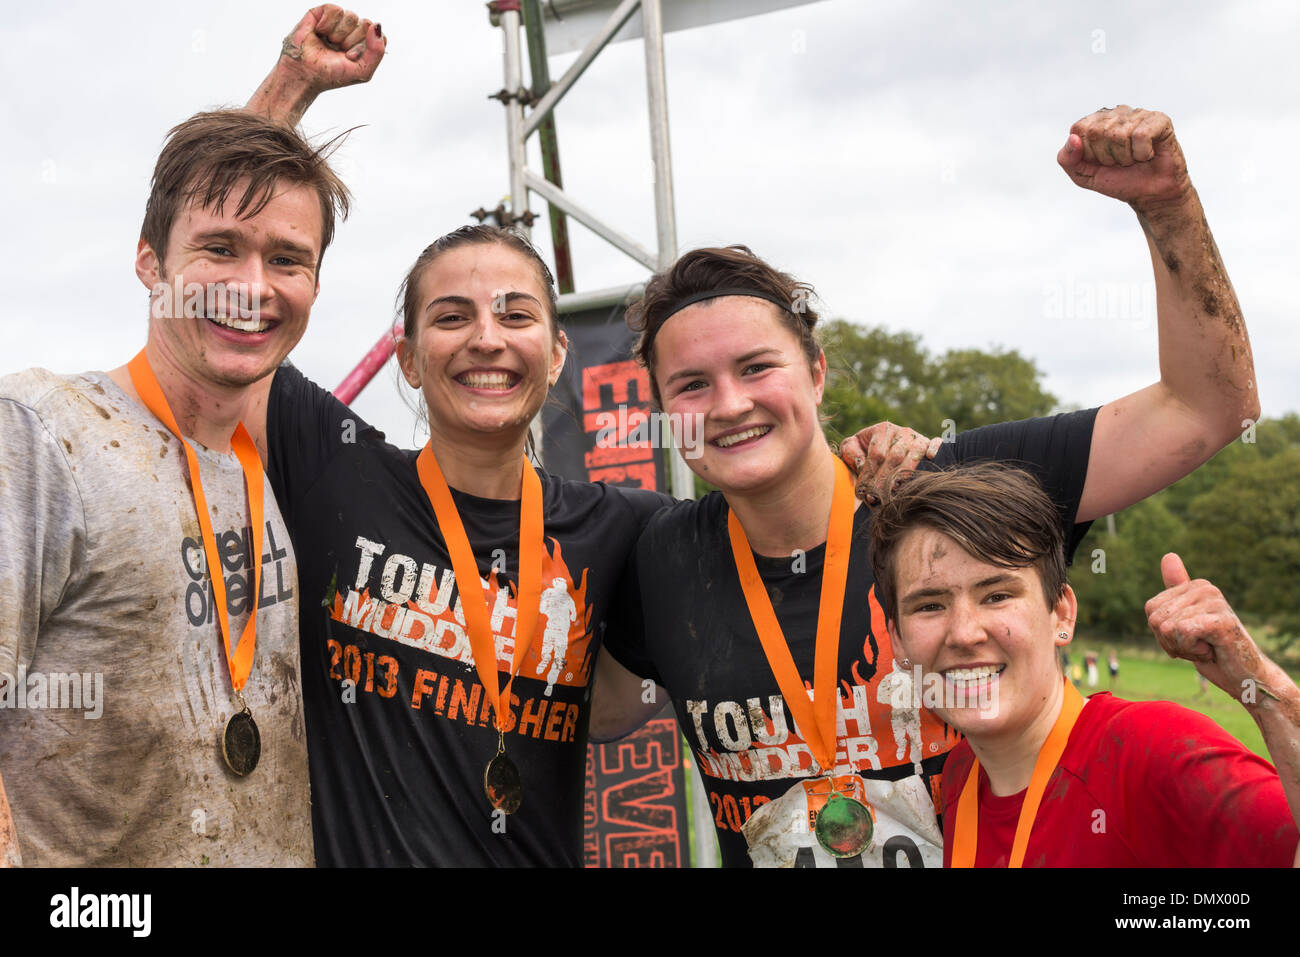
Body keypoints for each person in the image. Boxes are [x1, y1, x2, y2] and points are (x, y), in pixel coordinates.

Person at [240, 8, 913, 866]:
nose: (486, 338)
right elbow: (225, 275)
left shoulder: (624, 529)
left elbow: (784, 519)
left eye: (515, 314)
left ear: (556, 355)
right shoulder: (331, 464)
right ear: (407, 359)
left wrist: (887, 455)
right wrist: (292, 86)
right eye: (451, 317)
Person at [595, 104, 1261, 867]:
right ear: (661, 412)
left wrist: (1167, 207)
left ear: (815, 372)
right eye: (690, 385)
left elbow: (1208, 408)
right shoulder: (660, 558)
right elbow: (562, 705)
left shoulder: (960, 488)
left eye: (756, 367)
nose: (731, 403)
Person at [0, 109, 353, 865]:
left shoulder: (266, 462)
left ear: (316, 285)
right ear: (150, 262)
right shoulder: (44, 430)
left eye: (288, 259)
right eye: (218, 249)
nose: (250, 285)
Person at [868, 463, 1299, 866]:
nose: (964, 633)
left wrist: (1265, 692)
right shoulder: (961, 777)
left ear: (1061, 613)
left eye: (997, 595)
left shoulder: (1151, 750)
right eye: (929, 605)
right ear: (899, 641)